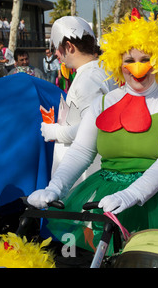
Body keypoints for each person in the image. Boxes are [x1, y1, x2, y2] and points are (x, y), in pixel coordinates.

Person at [27, 13, 158, 256]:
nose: (137, 68)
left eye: (145, 59)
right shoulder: (102, 103)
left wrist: (132, 194)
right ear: (119, 62)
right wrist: (55, 187)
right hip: (107, 197)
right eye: (130, 60)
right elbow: (82, 151)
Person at [40, 16, 116, 185]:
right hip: (89, 169)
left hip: (86, 175)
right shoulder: (101, 71)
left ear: (69, 47)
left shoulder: (88, 79)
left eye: (57, 48)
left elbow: (92, 129)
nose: (56, 54)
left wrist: (54, 132)